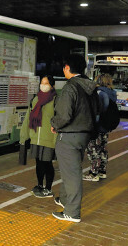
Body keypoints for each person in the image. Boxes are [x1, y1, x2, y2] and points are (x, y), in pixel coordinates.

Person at [50, 54, 98, 223]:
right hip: (84, 135)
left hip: (69, 136)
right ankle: (64, 199)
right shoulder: (89, 86)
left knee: (72, 174)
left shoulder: (71, 87)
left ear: (68, 68)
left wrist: (54, 124)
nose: (63, 70)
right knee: (70, 169)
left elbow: (64, 114)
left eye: (64, 68)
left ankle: (72, 212)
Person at [19, 75, 57, 198]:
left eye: (46, 83)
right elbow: (27, 119)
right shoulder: (35, 99)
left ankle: (48, 188)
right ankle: (40, 185)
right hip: (36, 138)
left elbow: (59, 120)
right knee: (38, 163)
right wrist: (24, 136)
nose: (43, 85)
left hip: (49, 138)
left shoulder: (56, 100)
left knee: (47, 163)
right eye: (42, 82)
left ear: (52, 86)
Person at [83, 74, 117, 182]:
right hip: (106, 126)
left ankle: (94, 173)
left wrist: (93, 125)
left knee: (94, 149)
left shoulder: (100, 93)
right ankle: (102, 171)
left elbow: (98, 111)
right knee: (103, 149)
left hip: (98, 126)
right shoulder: (112, 93)